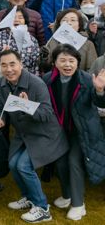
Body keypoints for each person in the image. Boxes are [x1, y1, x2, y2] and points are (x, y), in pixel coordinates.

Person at [0, 49, 68, 223]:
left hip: (44, 133)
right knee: (12, 163)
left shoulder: (36, 83)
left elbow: (47, 113)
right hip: (24, 133)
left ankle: (42, 208)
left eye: (12, 64)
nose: (9, 69)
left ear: (21, 64)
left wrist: (27, 106)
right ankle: (29, 197)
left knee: (24, 166)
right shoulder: (0, 84)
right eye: (4, 65)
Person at [42, 44, 105, 221]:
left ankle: (79, 204)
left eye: (71, 60)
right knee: (60, 162)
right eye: (62, 60)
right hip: (60, 130)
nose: (67, 64)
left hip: (82, 130)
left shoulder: (86, 80)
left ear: (78, 62)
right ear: (54, 62)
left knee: (73, 161)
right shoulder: (48, 79)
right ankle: (67, 195)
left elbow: (100, 104)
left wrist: (100, 91)